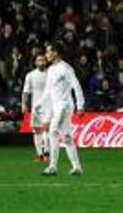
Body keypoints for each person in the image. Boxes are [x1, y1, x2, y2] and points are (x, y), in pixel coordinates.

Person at [35, 44, 85, 177]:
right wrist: (39, 103)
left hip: (65, 105)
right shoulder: (51, 69)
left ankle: (52, 166)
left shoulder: (66, 68)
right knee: (67, 137)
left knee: (53, 131)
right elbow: (48, 89)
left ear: (55, 53)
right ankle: (77, 167)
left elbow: (76, 86)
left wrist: (80, 105)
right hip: (57, 106)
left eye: (48, 52)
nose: (46, 55)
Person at [21, 52, 50, 163]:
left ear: (46, 62)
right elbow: (25, 91)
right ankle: (40, 155)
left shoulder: (50, 74)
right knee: (37, 131)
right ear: (35, 62)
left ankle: (47, 153)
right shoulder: (31, 75)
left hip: (49, 106)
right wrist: (24, 104)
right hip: (36, 107)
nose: (41, 62)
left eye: (43, 60)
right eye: (39, 60)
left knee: (47, 130)